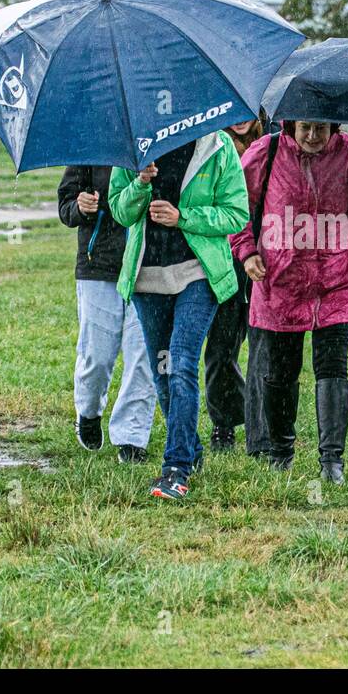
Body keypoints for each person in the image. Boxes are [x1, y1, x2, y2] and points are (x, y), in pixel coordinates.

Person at [229, 119, 348, 484]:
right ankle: (281, 453)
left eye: (321, 128)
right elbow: (237, 206)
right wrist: (247, 252)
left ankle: (332, 462)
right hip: (280, 283)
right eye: (305, 128)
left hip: (337, 282)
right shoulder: (266, 152)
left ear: (333, 126)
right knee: (281, 372)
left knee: (333, 367)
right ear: (290, 126)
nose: (313, 137)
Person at [109, 131, 249, 501]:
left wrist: (182, 217)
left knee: (182, 362)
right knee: (163, 370)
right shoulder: (134, 145)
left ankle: (176, 468)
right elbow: (120, 211)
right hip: (147, 279)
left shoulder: (216, 145)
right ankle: (193, 450)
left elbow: (236, 214)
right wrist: (140, 184)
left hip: (196, 273)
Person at [57, 166, 156, 462]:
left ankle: (131, 437)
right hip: (98, 264)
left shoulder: (159, 144)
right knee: (97, 355)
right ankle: (88, 412)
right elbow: (65, 205)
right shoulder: (93, 146)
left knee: (143, 356)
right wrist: (79, 207)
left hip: (148, 263)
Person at [203, 117, 266, 454]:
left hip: (263, 262)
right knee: (221, 349)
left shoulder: (270, 145)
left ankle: (263, 425)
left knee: (263, 349)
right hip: (223, 263)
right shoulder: (210, 146)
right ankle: (224, 424)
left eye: (247, 113)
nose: (240, 121)